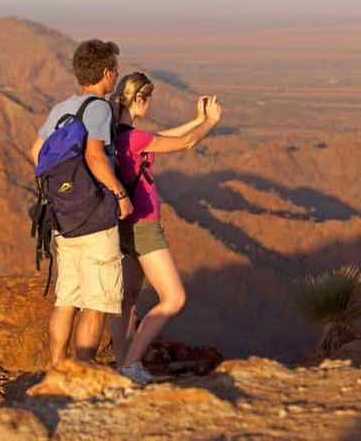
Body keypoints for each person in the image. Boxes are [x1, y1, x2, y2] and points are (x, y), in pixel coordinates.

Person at [109, 72, 222, 384]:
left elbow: (160, 136)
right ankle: (131, 365)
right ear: (138, 99)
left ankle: (122, 361)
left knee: (127, 299)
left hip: (122, 226)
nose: (150, 105)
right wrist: (210, 122)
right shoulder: (133, 139)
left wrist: (196, 119)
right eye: (148, 100)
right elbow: (185, 142)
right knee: (174, 298)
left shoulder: (117, 135)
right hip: (144, 227)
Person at [30, 39, 134, 365]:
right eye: (114, 70)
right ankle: (82, 369)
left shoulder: (62, 108)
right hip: (94, 217)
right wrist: (120, 194)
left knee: (67, 298)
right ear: (105, 72)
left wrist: (64, 192)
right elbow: (95, 156)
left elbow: (36, 153)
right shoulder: (99, 108)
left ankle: (57, 368)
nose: (115, 76)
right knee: (97, 301)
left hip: (64, 218)